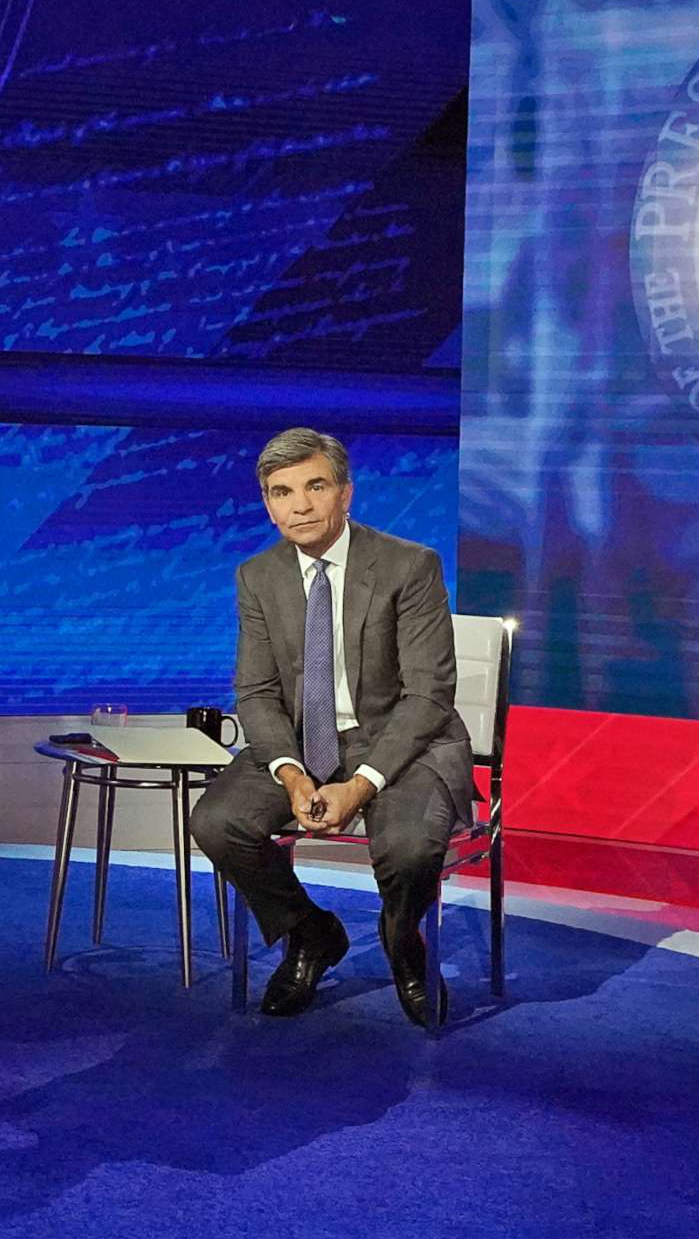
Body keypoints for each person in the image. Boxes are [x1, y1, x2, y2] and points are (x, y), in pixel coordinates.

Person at [189, 427, 472, 1026]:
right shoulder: (257, 576)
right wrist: (291, 774)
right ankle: (312, 933)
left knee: (410, 848)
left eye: (315, 486)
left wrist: (361, 783)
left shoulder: (409, 566)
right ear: (267, 504)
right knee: (217, 822)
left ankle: (402, 940)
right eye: (281, 492)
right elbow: (258, 693)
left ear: (346, 492)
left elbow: (428, 696)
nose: (300, 504)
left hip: (402, 741)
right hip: (304, 741)